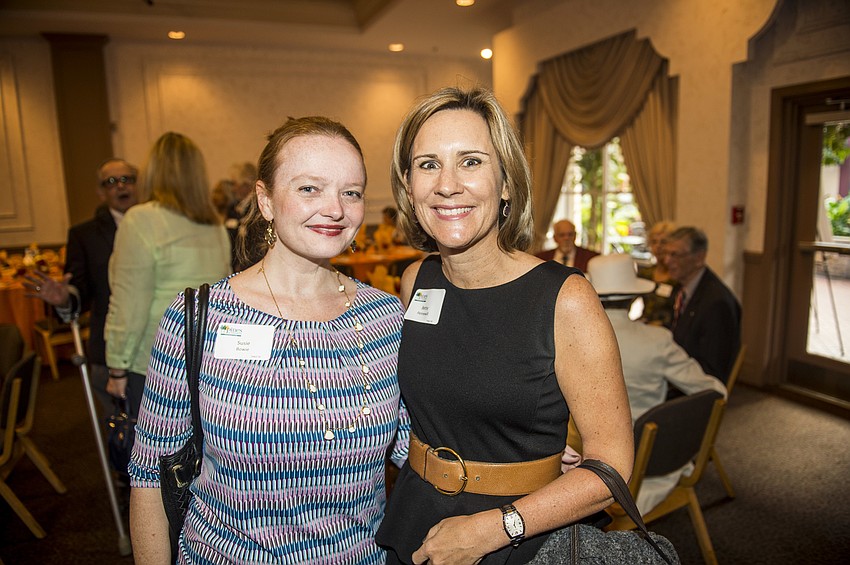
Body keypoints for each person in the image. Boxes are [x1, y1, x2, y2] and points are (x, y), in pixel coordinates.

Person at [128, 117, 409, 564]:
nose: (335, 209)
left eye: (351, 192)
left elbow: (415, 445)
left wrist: (530, 447)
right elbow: (148, 476)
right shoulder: (196, 317)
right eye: (309, 189)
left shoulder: (385, 317)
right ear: (266, 200)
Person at [375, 86, 633, 564]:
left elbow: (612, 471)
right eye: (428, 164)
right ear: (409, 185)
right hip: (415, 513)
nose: (447, 184)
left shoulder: (565, 299)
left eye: (471, 161)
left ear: (507, 182)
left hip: (519, 534)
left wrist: (495, 529)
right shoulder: (416, 281)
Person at [104, 132, 232, 421]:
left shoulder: (140, 219)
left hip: (155, 357)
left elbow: (129, 303)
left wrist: (117, 366)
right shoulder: (213, 225)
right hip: (205, 355)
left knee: (152, 452)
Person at [586, 253, 726, 514]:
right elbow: (714, 391)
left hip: (585, 466)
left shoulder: (569, 339)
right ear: (634, 296)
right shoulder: (657, 341)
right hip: (645, 463)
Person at [24, 158, 139, 416]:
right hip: (109, 345)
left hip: (156, 341)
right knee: (124, 430)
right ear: (100, 192)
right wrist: (64, 298)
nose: (121, 187)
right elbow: (79, 293)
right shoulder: (83, 235)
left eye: (127, 179)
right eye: (111, 182)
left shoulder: (159, 227)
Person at [663, 226, 742, 384]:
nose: (666, 261)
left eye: (675, 255)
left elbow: (712, 369)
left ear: (699, 258)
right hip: (679, 373)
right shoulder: (681, 288)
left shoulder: (717, 303)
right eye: (666, 253)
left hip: (694, 389)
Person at [638, 220, 677, 326]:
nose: (658, 246)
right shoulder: (645, 274)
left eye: (663, 242)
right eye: (654, 242)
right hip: (645, 328)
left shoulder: (678, 276)